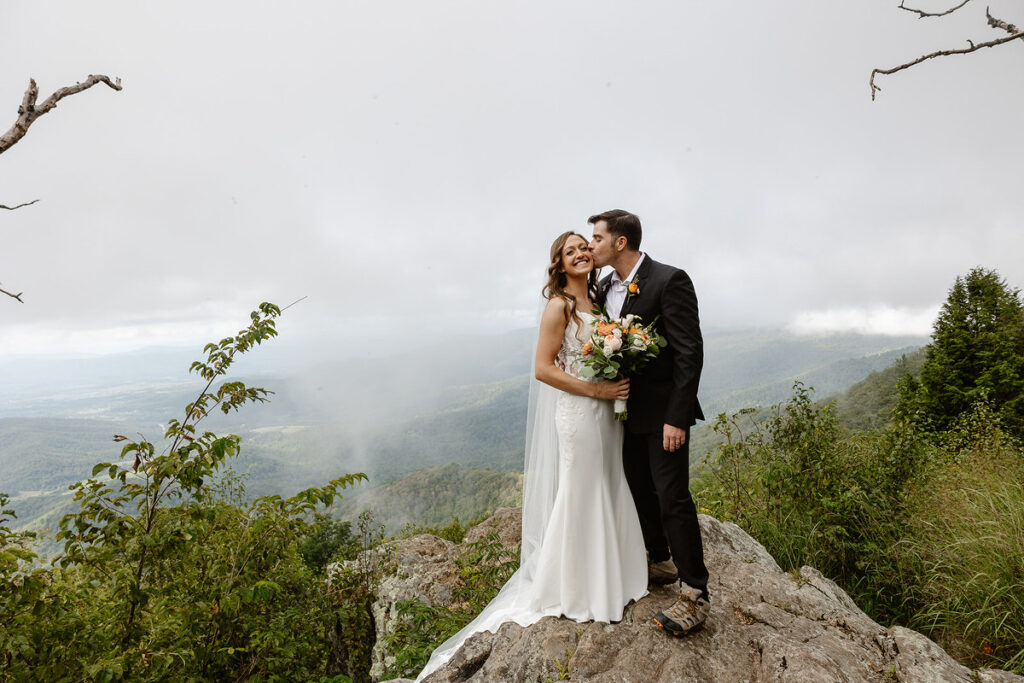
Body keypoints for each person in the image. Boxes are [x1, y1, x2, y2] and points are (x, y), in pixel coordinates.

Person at [416, 232, 647, 681]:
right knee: (582, 490)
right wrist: (598, 389)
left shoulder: (601, 303)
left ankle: (612, 577)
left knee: (608, 482)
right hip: (579, 412)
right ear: (559, 264)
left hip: (605, 414)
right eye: (571, 250)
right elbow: (543, 369)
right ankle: (580, 588)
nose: (581, 253)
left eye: (585, 247)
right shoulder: (558, 305)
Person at [588, 209, 711, 637]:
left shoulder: (669, 279)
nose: (592, 246)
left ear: (620, 242)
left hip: (663, 418)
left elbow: (688, 352)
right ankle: (658, 560)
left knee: (672, 496)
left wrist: (677, 418)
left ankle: (695, 590)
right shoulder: (603, 287)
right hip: (623, 415)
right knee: (638, 488)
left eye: (597, 239)